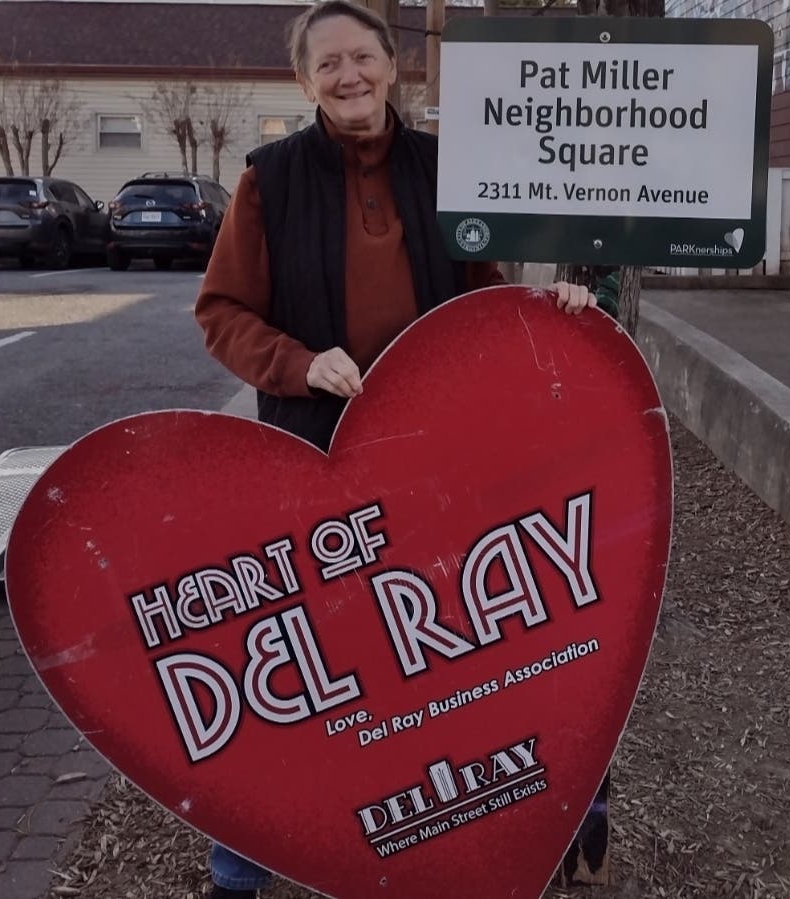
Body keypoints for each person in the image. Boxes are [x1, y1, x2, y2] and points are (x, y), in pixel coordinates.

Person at [194, 2, 592, 895]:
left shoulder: (444, 167)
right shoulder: (269, 180)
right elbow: (220, 315)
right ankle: (240, 865)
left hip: (438, 455)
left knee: (454, 642)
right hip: (315, 455)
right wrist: (297, 361)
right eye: (328, 64)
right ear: (305, 81)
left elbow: (483, 295)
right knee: (316, 658)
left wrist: (554, 309)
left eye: (363, 57)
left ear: (390, 66)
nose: (349, 76)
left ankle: (482, 819)